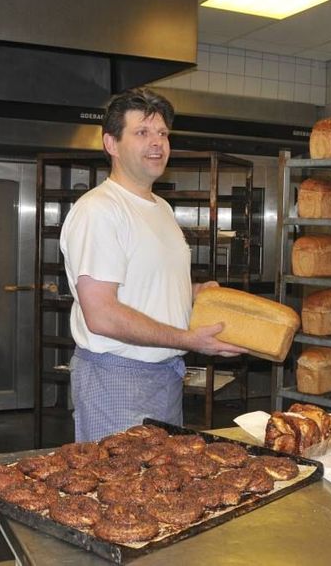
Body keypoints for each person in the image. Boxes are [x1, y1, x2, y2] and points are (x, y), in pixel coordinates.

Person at [59, 88, 245, 441]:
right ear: (111, 143)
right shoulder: (100, 210)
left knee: (160, 490)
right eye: (142, 133)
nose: (157, 143)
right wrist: (188, 339)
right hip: (117, 379)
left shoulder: (161, 208)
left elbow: (146, 285)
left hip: (164, 377)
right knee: (119, 490)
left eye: (162, 133)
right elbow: (101, 313)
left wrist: (195, 293)